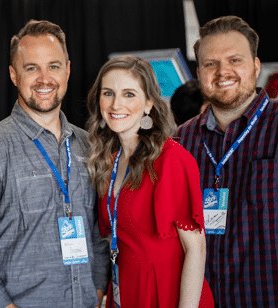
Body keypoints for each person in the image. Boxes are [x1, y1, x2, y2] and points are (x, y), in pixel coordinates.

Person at [0, 19, 109, 308]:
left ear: (68, 70)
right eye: (31, 68)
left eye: (54, 66)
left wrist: (96, 289)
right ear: (13, 74)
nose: (44, 78)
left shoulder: (89, 145)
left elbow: (99, 233)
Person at [86, 55, 214, 308]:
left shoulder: (171, 159)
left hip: (167, 292)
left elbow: (196, 251)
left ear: (149, 104)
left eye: (129, 94)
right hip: (126, 289)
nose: (116, 104)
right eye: (108, 93)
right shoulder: (108, 162)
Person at [175, 15, 278, 308]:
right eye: (211, 64)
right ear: (198, 73)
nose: (223, 72)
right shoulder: (181, 142)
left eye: (235, 60)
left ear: (256, 66)